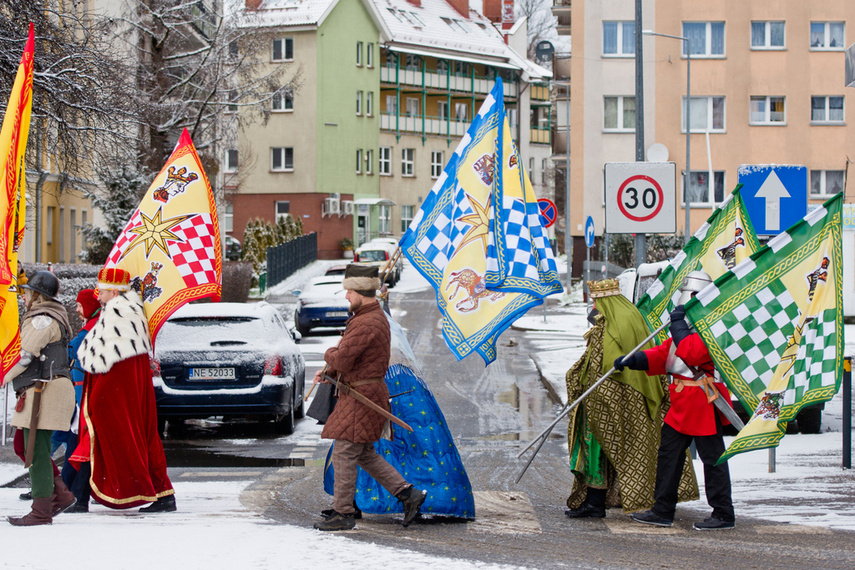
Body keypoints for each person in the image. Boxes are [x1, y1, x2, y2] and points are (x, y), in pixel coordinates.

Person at [564, 279, 698, 519]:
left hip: (611, 400)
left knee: (599, 450)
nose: (594, 305)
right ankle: (595, 501)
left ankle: (597, 503)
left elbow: (603, 367)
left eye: (596, 300)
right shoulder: (623, 319)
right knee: (602, 451)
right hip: (610, 400)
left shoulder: (617, 325)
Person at [616, 270, 736, 531]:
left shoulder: (713, 327)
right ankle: (662, 509)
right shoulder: (685, 329)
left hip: (704, 402)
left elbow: (692, 353)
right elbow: (665, 355)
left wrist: (679, 325)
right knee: (668, 457)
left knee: (713, 460)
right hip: (682, 404)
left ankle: (724, 513)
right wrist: (633, 361)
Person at [312, 264, 426, 531]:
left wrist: (330, 354)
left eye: (349, 292)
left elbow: (343, 357)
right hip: (363, 393)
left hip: (360, 397)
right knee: (363, 453)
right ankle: (408, 495)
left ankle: (343, 513)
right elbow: (353, 361)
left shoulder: (366, 322)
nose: (346, 297)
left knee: (343, 451)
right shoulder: (367, 318)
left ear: (361, 292)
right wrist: (329, 372)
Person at [74, 267, 176, 512]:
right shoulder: (126, 312)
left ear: (114, 291)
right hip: (127, 392)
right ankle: (162, 494)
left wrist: (97, 400)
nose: (97, 296)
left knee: (131, 441)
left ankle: (82, 499)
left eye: (101, 291)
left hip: (117, 395)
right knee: (143, 438)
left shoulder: (120, 316)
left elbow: (111, 363)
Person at [4, 270, 77, 526]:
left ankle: (42, 509)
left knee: (34, 448)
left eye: (26, 292)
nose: (24, 297)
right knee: (26, 446)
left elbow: (25, 355)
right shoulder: (48, 315)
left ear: (37, 294)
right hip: (41, 390)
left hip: (46, 390)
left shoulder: (42, 319)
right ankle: (61, 494)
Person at [58, 289, 101, 513]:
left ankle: (69, 492)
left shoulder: (90, 329)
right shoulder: (91, 326)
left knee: (78, 442)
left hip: (83, 393)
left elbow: (72, 350)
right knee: (73, 440)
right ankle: (68, 490)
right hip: (80, 392)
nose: (76, 309)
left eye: (78, 305)